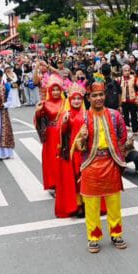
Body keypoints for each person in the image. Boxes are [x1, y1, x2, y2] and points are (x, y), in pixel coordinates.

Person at [72, 80, 128, 253]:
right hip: (91, 163)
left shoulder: (114, 115)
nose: (98, 98)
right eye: (94, 95)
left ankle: (116, 233)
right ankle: (93, 237)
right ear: (88, 98)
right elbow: (76, 145)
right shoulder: (82, 117)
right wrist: (81, 138)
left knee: (114, 202)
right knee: (91, 204)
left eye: (101, 94)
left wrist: (118, 153)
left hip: (110, 162)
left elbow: (122, 136)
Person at [56, 83, 88, 218]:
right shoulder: (66, 114)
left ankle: (88, 203)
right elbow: (61, 134)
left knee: (86, 177)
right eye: (74, 98)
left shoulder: (87, 114)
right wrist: (64, 123)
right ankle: (78, 204)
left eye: (79, 99)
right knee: (74, 179)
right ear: (70, 100)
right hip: (72, 152)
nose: (76, 101)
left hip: (86, 152)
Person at [34, 75, 65, 190]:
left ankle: (65, 181)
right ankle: (55, 183)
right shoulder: (45, 103)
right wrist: (37, 112)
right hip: (51, 135)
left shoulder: (66, 102)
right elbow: (39, 120)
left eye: (57, 89)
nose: (56, 92)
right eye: (53, 89)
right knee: (53, 160)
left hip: (64, 134)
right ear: (49, 91)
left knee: (64, 159)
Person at [119, 64, 138, 134]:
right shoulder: (120, 79)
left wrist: (137, 98)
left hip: (132, 100)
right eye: (125, 70)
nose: (127, 72)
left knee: (134, 115)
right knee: (125, 115)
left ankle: (135, 130)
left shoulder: (133, 78)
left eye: (128, 70)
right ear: (122, 71)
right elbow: (119, 91)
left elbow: (137, 89)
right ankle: (126, 128)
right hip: (124, 100)